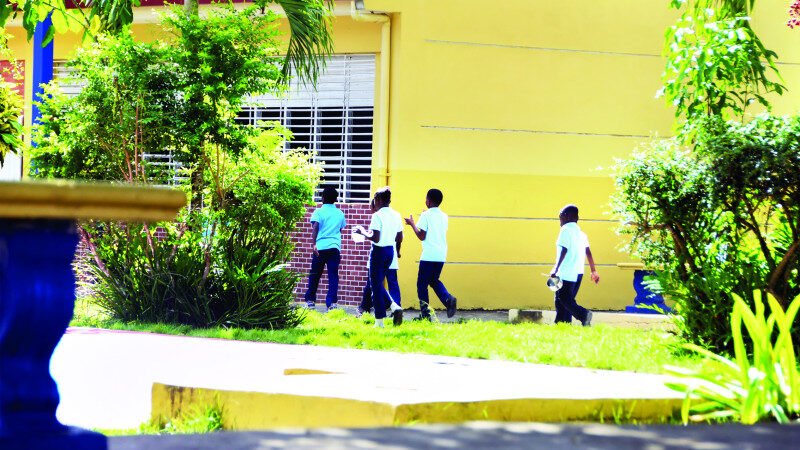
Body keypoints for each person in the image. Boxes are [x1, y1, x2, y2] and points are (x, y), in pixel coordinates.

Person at [405, 188, 457, 321]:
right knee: (434, 281)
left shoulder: (426, 215)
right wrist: (425, 215)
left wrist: (412, 224)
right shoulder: (444, 216)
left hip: (428, 255)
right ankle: (448, 299)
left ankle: (425, 314)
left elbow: (422, 236)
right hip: (441, 255)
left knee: (421, 284)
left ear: (428, 201)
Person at [356, 188, 403, 327]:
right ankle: (394, 307)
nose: (374, 202)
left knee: (375, 287)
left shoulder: (377, 216)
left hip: (378, 252)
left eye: (375, 199)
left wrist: (362, 231)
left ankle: (380, 322)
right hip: (390, 251)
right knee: (376, 285)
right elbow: (399, 237)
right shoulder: (396, 214)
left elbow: (375, 238)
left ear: (380, 200)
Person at [550, 204, 600, 326]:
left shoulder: (565, 230)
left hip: (566, 272)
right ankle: (562, 324)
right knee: (562, 301)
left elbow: (564, 250)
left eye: (560, 216)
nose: (560, 220)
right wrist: (594, 271)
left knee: (563, 298)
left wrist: (555, 269)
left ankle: (584, 315)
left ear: (567, 216)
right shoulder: (581, 234)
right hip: (578, 273)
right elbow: (588, 252)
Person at [303, 186, 347, 311]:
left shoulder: (318, 212)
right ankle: (332, 303)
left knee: (315, 275)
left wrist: (313, 244)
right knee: (333, 275)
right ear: (335, 199)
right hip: (334, 247)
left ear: (323, 198)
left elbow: (315, 227)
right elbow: (340, 229)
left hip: (320, 248)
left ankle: (310, 301)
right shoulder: (339, 213)